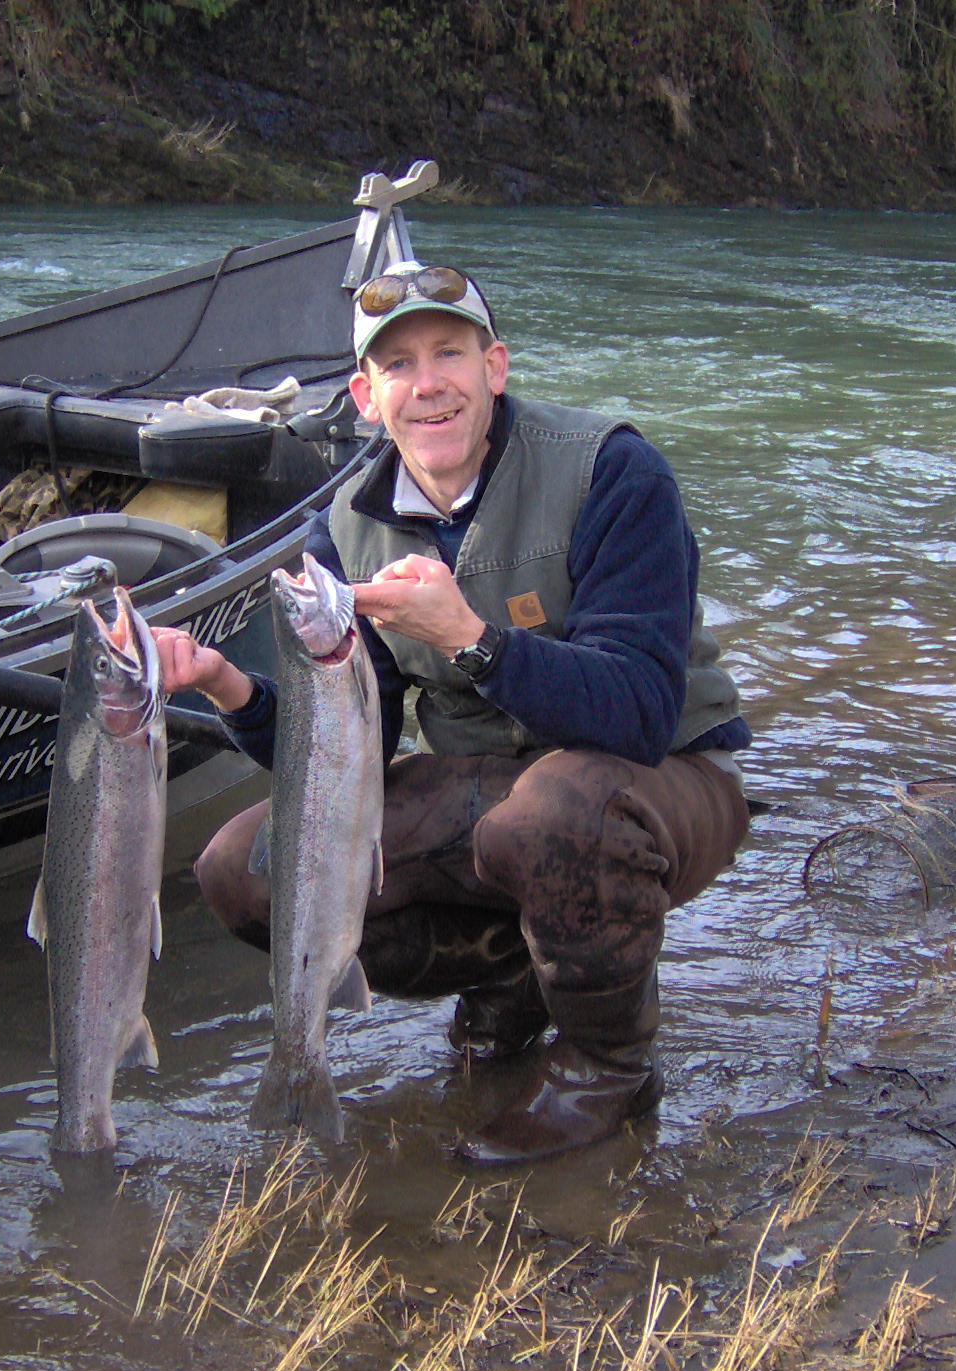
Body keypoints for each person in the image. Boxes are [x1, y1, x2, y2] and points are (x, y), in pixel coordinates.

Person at [152, 260, 751, 1165]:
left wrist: (471, 637)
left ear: (495, 367)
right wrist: (225, 686)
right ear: (365, 395)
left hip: (661, 783)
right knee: (247, 866)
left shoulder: (615, 473)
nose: (427, 384)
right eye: (397, 365)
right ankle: (515, 972)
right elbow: (352, 750)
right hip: (492, 795)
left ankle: (607, 1068)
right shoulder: (342, 529)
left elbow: (635, 711)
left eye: (449, 354)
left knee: (554, 816)